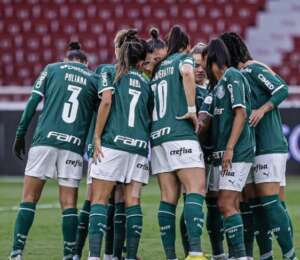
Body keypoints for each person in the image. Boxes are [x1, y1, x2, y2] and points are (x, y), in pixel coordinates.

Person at [10, 42, 100, 260]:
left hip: (44, 141)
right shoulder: (93, 78)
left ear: (66, 59)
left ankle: (16, 253)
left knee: (29, 198)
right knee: (69, 204)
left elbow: (33, 101)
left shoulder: (52, 69)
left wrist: (20, 133)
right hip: (73, 146)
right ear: (85, 63)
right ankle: (69, 255)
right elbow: (99, 115)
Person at [220, 32, 296, 260]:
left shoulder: (251, 68)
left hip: (268, 144)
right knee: (257, 204)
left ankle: (290, 255)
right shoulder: (235, 76)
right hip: (252, 148)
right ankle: (266, 255)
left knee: (270, 202)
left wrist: (262, 110)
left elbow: (281, 88)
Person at [88, 32, 151, 260]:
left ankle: (95, 257)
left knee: (99, 200)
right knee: (132, 201)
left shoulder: (109, 71)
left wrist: (96, 136)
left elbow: (106, 101)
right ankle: (130, 257)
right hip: (138, 148)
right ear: (141, 60)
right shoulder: (147, 83)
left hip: (113, 144)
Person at [74, 29, 133, 260]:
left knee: (98, 199)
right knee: (112, 200)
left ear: (118, 48)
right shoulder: (127, 75)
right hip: (115, 145)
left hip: (105, 144)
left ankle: (92, 253)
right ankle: (101, 253)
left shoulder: (106, 71)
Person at [150, 25, 207, 260]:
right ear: (186, 45)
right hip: (180, 133)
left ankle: (171, 256)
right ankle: (194, 253)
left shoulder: (157, 68)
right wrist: (192, 109)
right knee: (196, 190)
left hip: (158, 138)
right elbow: (186, 74)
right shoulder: (183, 59)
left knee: (168, 198)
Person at [203, 38, 255, 259]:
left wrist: (230, 148)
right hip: (221, 155)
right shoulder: (216, 87)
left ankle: (241, 255)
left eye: (205, 62)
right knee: (227, 203)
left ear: (213, 59)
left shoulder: (232, 76)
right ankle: (236, 254)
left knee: (225, 203)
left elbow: (241, 113)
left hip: (236, 152)